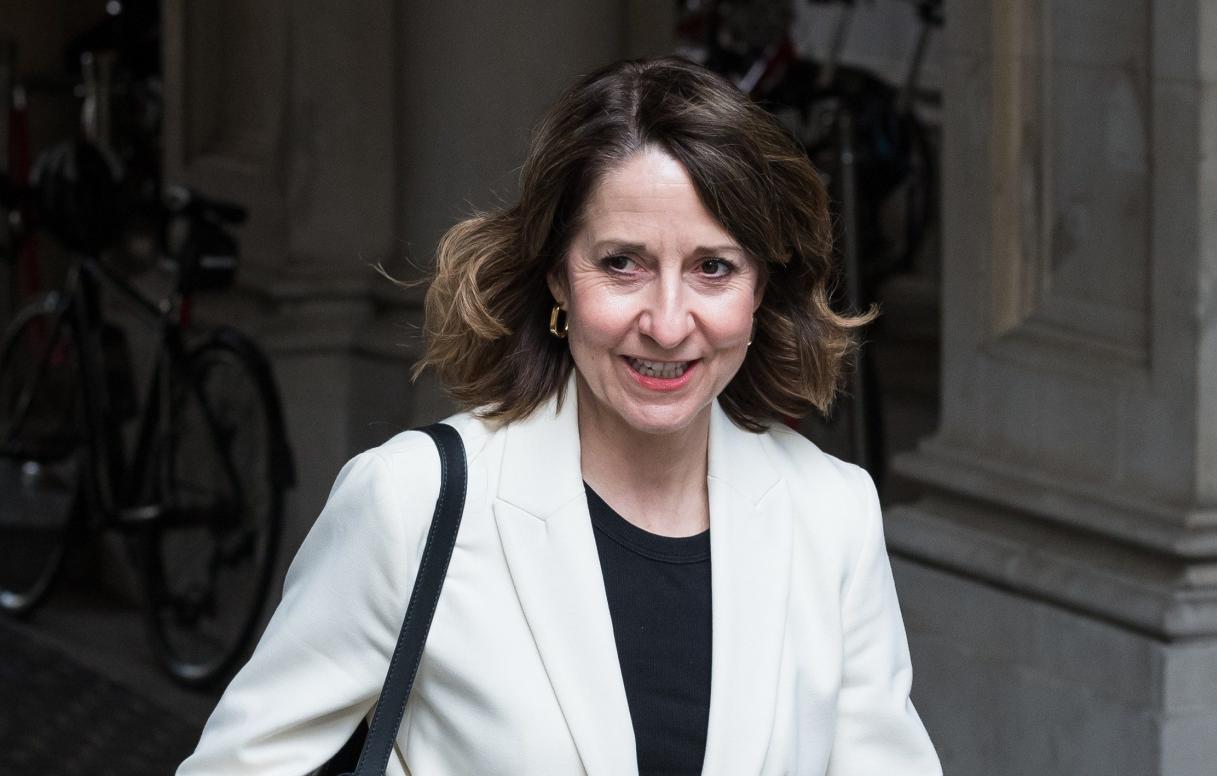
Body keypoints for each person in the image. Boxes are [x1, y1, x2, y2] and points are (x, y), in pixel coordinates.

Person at [177, 56, 940, 776]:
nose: (669, 324)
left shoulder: (831, 514)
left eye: (714, 267)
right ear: (555, 277)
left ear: (762, 288)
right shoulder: (413, 502)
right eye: (622, 264)